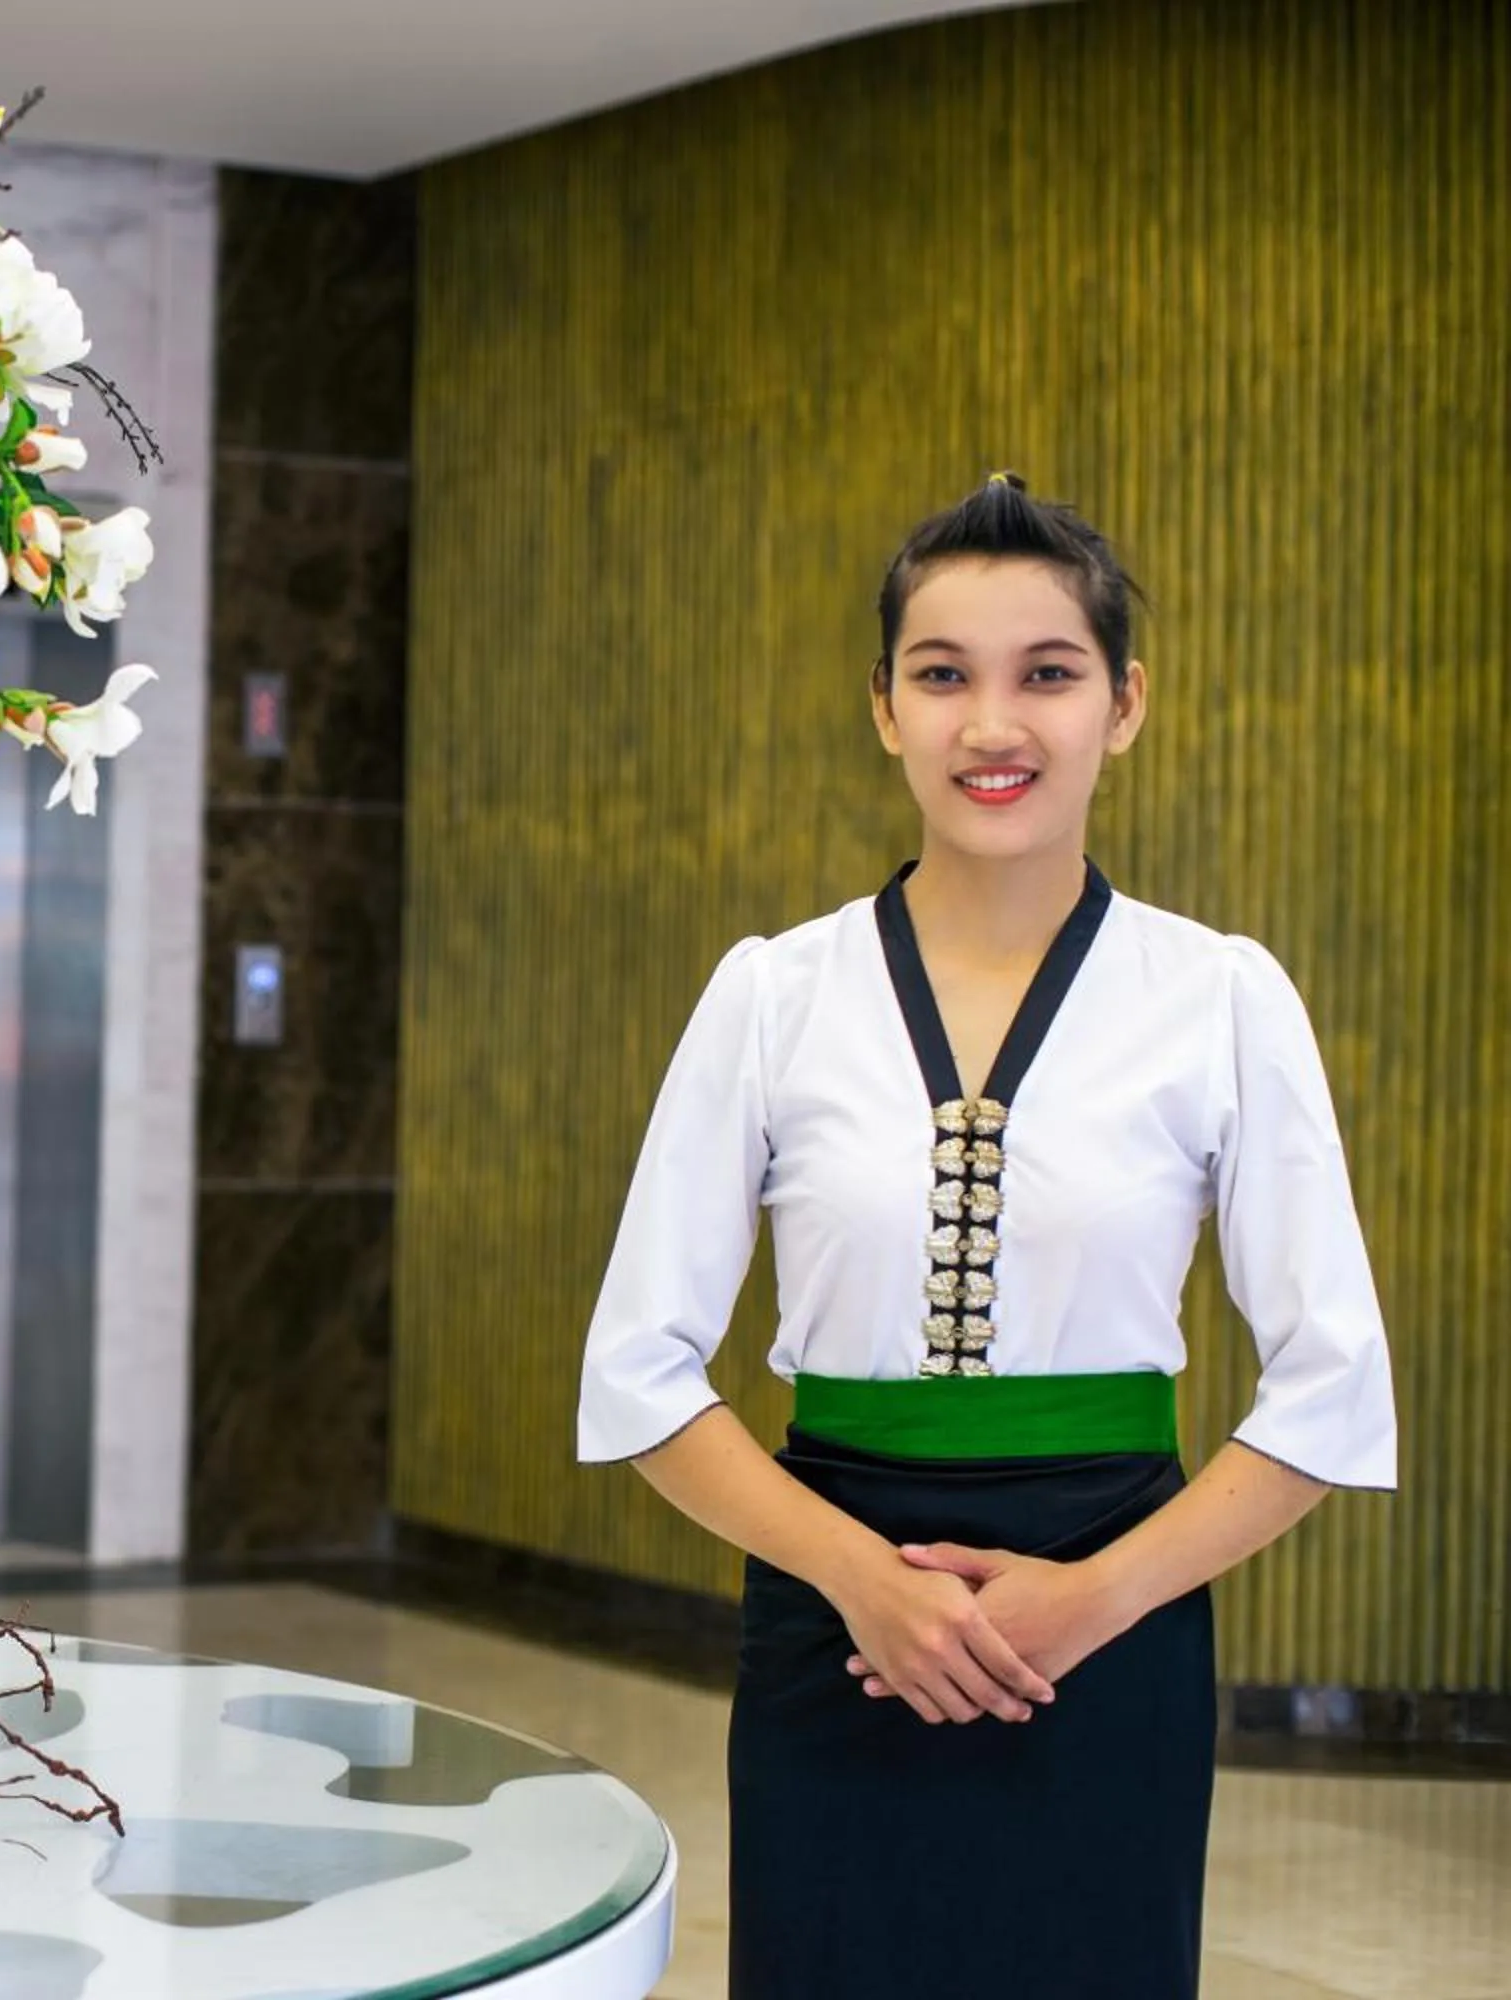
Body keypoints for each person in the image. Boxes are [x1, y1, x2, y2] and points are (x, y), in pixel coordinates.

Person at [574, 475, 1398, 1998]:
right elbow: (640, 1371)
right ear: (884, 706)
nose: (991, 724)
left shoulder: (1219, 997)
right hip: (834, 1625)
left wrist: (1093, 1597)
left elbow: (1332, 1389)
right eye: (943, 673)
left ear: (1125, 704)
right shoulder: (772, 993)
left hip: (1115, 1619)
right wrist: (862, 1579)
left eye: (1048, 673)